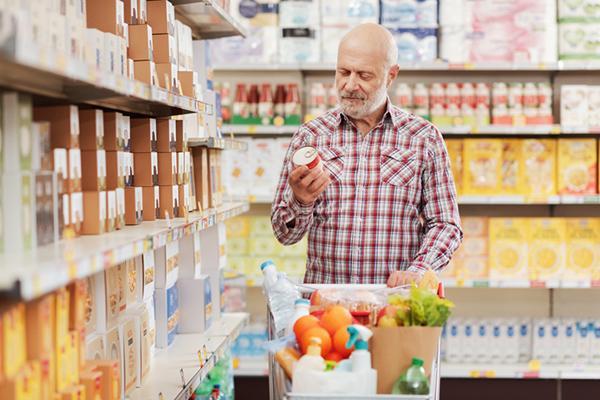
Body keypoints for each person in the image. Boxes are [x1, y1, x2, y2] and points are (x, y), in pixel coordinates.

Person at [271, 23, 463, 287]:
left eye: (364, 75)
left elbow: (446, 223)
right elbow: (284, 235)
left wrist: (419, 270)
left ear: (391, 76)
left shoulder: (423, 138)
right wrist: (300, 202)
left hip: (393, 306)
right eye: (343, 72)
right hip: (327, 308)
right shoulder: (310, 137)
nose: (350, 85)